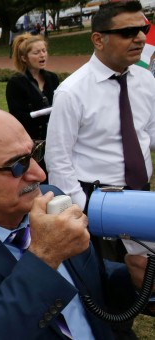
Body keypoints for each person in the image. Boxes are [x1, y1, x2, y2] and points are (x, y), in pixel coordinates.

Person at [0, 109, 153, 339]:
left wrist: (132, 279)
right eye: (16, 166)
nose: (39, 174)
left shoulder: (51, 198)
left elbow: (91, 286)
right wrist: (45, 257)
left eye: (35, 154)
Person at [46, 0, 155, 209]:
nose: (141, 38)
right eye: (129, 32)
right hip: (97, 198)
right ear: (98, 39)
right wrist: (84, 208)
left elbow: (149, 133)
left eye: (144, 29)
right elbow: (58, 160)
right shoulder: (71, 92)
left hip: (142, 194)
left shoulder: (146, 80)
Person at [6, 33, 59, 177]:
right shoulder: (15, 83)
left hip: (54, 142)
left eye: (44, 51)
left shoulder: (53, 78)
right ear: (24, 58)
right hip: (32, 147)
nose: (42, 55)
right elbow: (18, 117)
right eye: (36, 52)